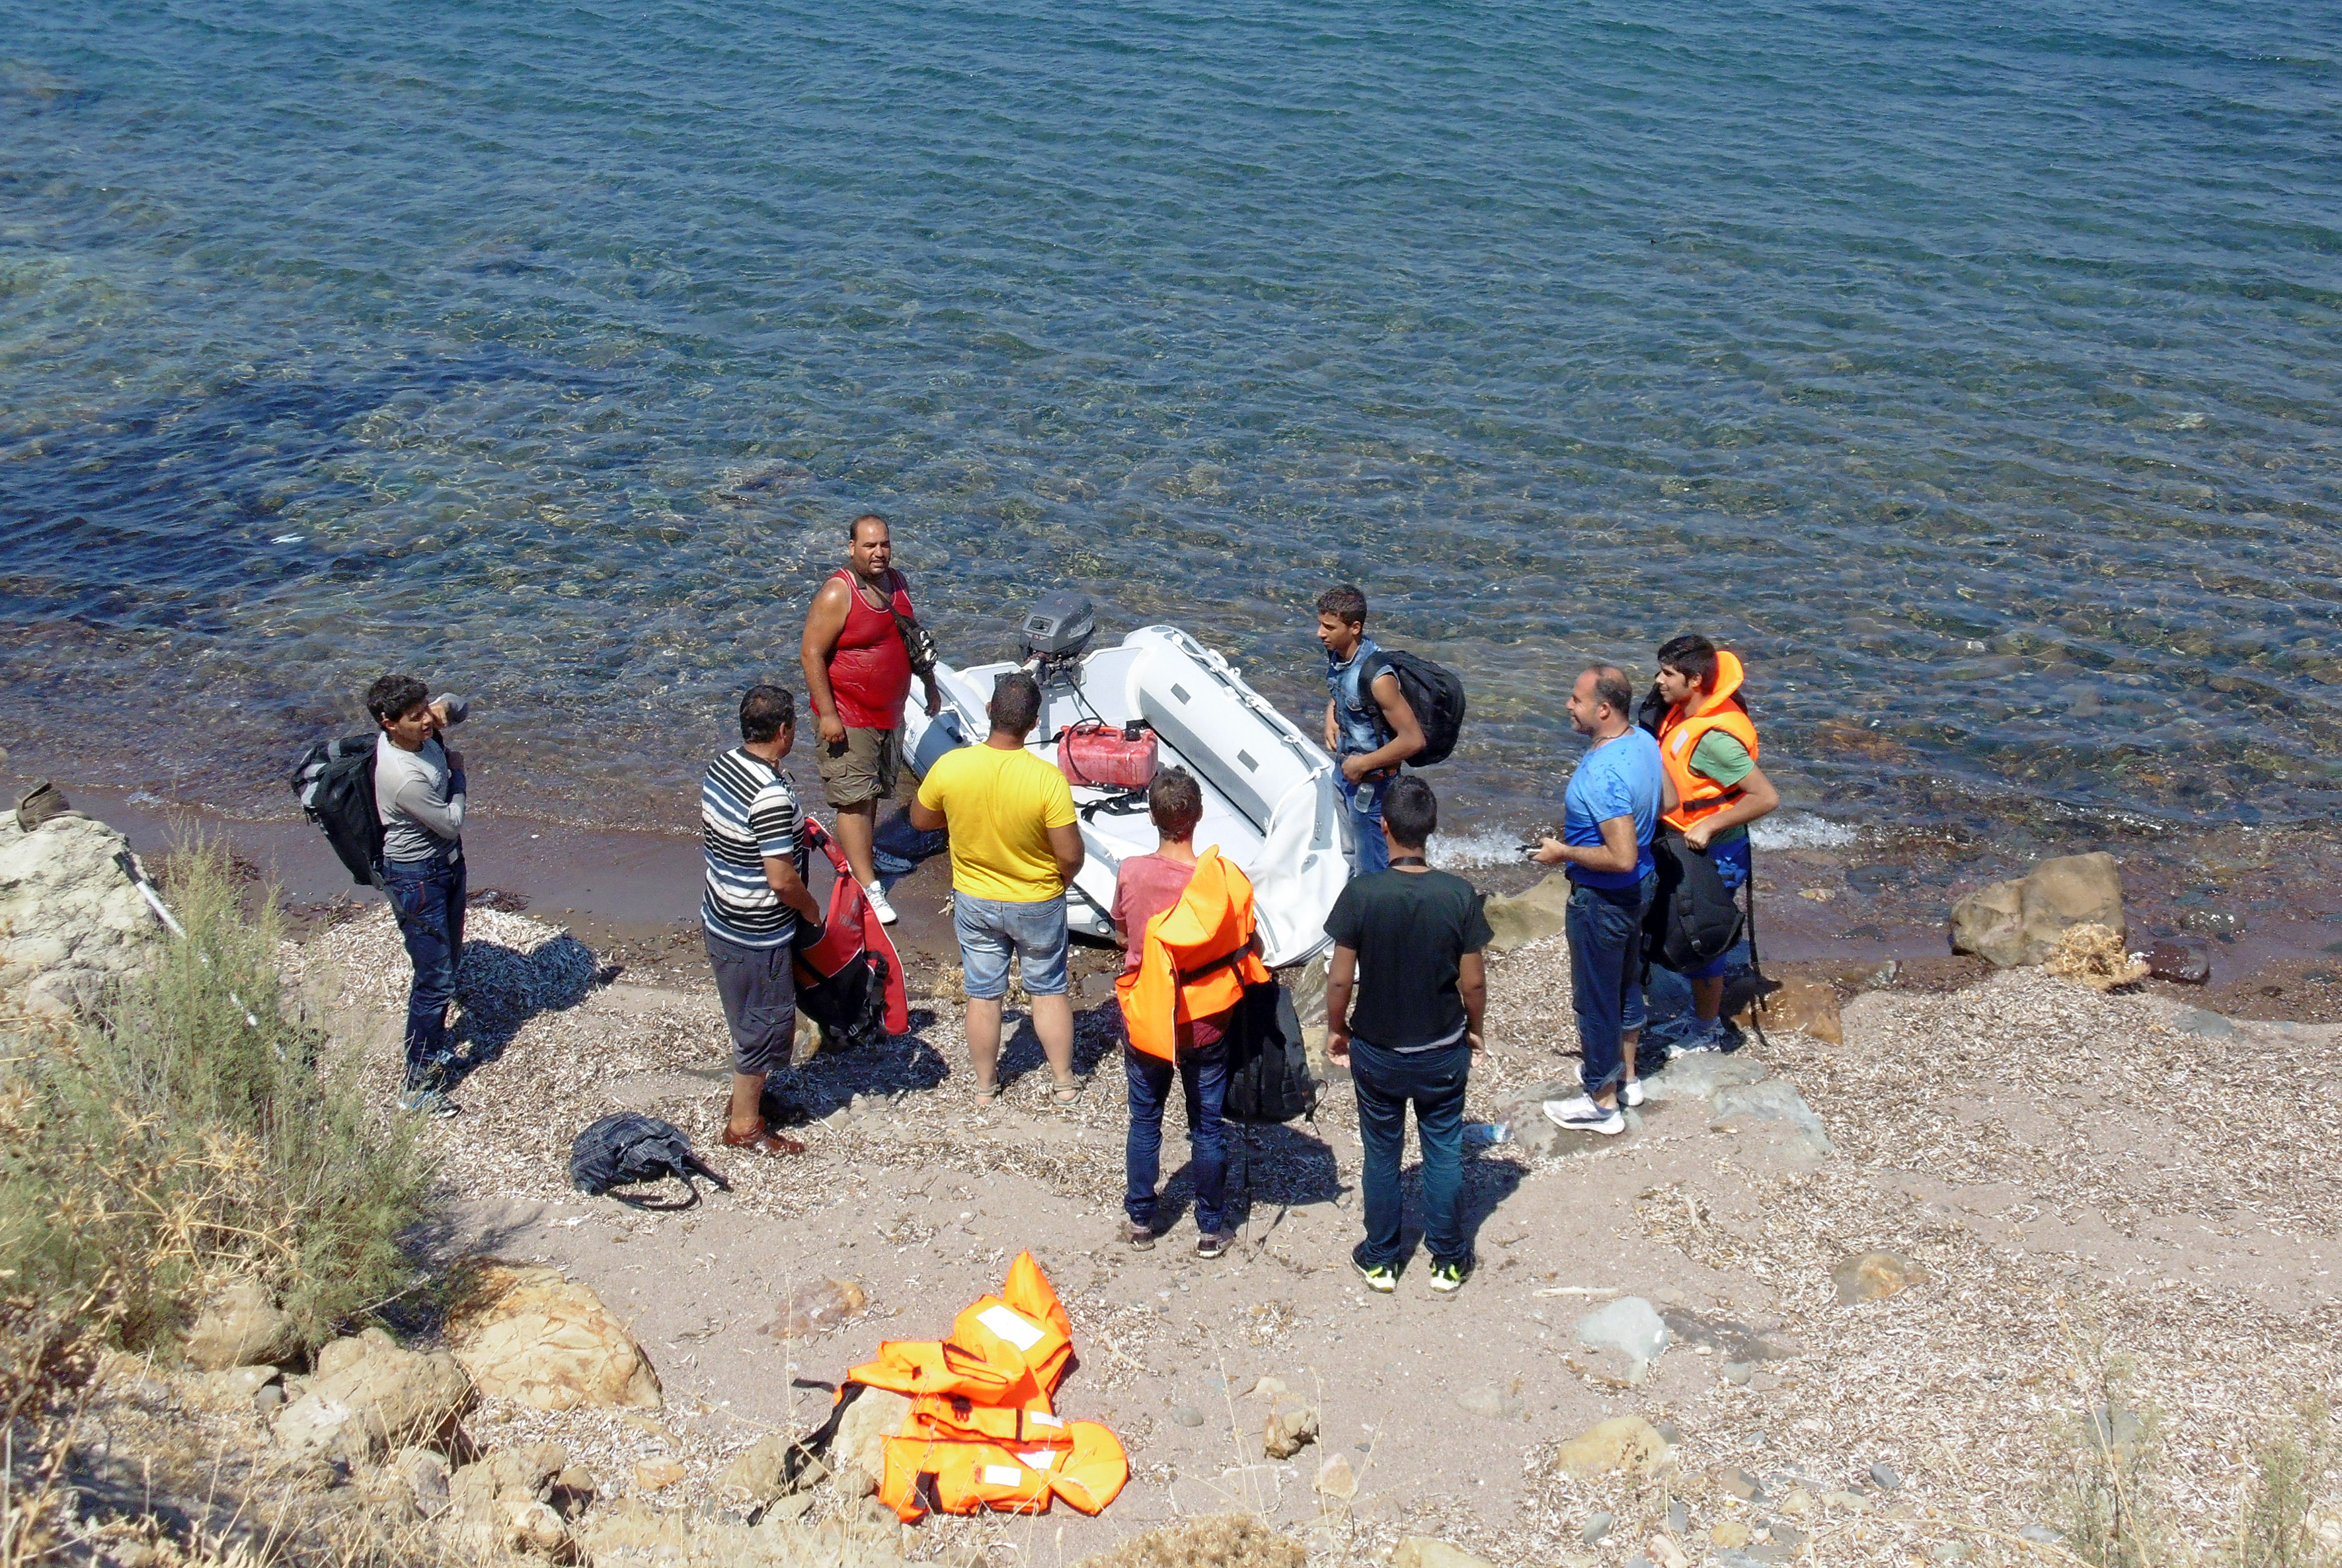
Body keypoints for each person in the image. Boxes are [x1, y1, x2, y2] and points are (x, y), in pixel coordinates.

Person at [1324, 775, 1491, 1295]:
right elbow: (1474, 981)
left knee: (1381, 1154)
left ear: (1384, 828)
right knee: (1442, 1150)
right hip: (1441, 1047)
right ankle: (1446, 1259)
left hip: (1379, 1049)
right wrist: (1476, 1030)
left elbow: (1339, 977)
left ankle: (1381, 1259)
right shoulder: (1458, 895)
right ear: (1432, 829)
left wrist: (1336, 1029)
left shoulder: (1363, 893)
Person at [910, 671, 1084, 1107]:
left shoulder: (951, 766)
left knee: (984, 995)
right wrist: (1061, 881)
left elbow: (920, 819)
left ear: (989, 712)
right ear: (1033, 722)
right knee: (1047, 989)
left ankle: (986, 1087)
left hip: (975, 897)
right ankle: (1063, 1082)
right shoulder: (1047, 780)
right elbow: (1070, 854)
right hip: (1037, 898)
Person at [1111, 767, 1263, 1259]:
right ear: (1197, 817)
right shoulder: (1223, 881)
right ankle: (1210, 1229)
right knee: (1207, 1126)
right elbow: (1248, 943)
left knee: (1145, 1120)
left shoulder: (1131, 871)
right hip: (1205, 1020)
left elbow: (1122, 935)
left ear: (1151, 817)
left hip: (1148, 1016)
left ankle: (1140, 1219)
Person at [1532, 667, 1667, 1136]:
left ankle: (1600, 1100)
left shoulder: (1600, 774)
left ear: (1602, 709)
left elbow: (1620, 856)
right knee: (1627, 983)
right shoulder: (1644, 742)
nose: (1568, 706)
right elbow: (1665, 800)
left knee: (1594, 1000)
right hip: (1642, 888)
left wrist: (1562, 851)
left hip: (1603, 898)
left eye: (1575, 699)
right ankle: (1627, 1077)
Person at [800, 513, 941, 925]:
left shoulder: (897, 583)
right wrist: (828, 714)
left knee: (875, 791)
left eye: (884, 545)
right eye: (868, 546)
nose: (878, 552)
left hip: (889, 714)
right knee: (853, 798)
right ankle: (866, 884)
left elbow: (910, 638)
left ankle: (863, 856)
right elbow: (811, 653)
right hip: (848, 714)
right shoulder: (837, 593)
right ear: (852, 549)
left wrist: (929, 684)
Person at [701, 684, 823, 1157]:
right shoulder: (770, 793)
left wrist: (796, 835)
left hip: (721, 913)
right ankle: (744, 1126)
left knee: (751, 1017)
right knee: (765, 1027)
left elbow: (745, 835)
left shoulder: (724, 766)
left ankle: (749, 1098)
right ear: (784, 730)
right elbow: (780, 880)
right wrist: (811, 909)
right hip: (756, 929)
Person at [1652, 635, 1779, 1055]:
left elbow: (1766, 797)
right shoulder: (1682, 713)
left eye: (1668, 674)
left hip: (1716, 852)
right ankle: (1698, 1013)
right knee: (1678, 927)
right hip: (1682, 843)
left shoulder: (1714, 741)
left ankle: (1707, 1030)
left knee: (1701, 938)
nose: (1659, 681)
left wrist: (1710, 826)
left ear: (1694, 681)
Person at [368, 675, 471, 1117]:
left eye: (426, 709)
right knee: (433, 982)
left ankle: (433, 1042)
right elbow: (450, 822)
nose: (426, 720)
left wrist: (447, 709)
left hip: (446, 867)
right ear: (390, 724)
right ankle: (416, 1086)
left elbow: (461, 705)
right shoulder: (402, 777)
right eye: (415, 718)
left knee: (450, 962)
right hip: (417, 878)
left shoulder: (422, 727)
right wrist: (460, 773)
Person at [1315, 585, 1425, 878]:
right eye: (1320, 624)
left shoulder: (1379, 678)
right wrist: (1331, 715)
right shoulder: (1338, 656)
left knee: (1372, 866)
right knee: (1351, 856)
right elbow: (1343, 689)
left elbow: (1413, 739)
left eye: (1329, 627)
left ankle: (1375, 916)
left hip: (1373, 787)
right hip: (1344, 774)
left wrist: (1362, 764)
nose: (1320, 633)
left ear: (1355, 628)